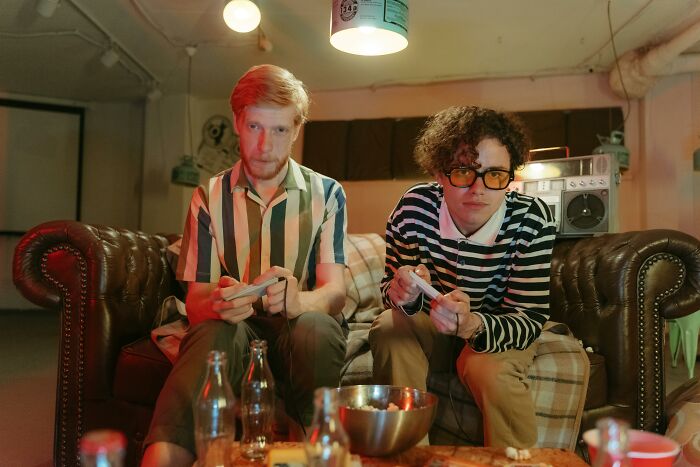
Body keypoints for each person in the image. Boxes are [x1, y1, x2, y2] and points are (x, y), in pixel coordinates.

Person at [142, 64, 348, 466]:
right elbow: (197, 299)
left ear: (297, 129)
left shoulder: (329, 194)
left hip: (297, 328)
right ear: (237, 121)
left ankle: (311, 445)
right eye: (254, 126)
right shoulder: (208, 195)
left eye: (280, 130)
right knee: (212, 330)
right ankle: (166, 456)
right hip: (235, 331)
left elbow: (335, 292)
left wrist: (300, 301)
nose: (265, 144)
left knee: (318, 326)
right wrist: (218, 303)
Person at [369, 106, 556, 449]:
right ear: (439, 174)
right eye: (463, 173)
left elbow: (529, 319)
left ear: (510, 177)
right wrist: (402, 293)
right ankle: (403, 453)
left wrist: (471, 325)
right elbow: (388, 293)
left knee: (489, 370)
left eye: (496, 175)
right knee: (389, 327)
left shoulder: (532, 219)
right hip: (429, 330)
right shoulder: (413, 209)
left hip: (494, 334)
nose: (479, 189)